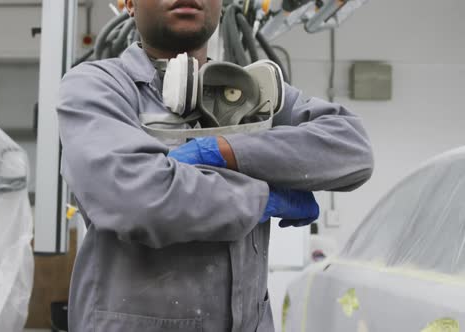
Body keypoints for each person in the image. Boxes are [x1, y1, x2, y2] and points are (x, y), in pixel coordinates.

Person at [57, 0, 374, 331]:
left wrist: (225, 150)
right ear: (129, 4)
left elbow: (351, 148)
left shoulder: (251, 93)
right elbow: (135, 197)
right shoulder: (98, 86)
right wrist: (262, 198)